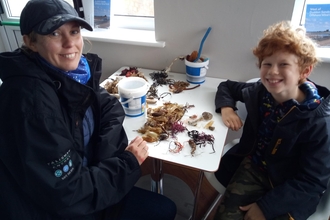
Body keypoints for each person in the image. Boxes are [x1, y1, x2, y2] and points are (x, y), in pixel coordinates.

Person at [0, 0, 177, 219]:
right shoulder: (32, 103)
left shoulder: (68, 76)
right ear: (30, 42)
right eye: (55, 34)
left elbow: (108, 105)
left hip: (84, 185)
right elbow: (67, 194)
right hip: (58, 210)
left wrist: (103, 154)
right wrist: (126, 163)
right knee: (164, 210)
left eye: (74, 31)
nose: (69, 43)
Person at [213, 20, 330, 220]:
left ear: (304, 71)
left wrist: (265, 207)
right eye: (267, 63)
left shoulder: (318, 121)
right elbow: (227, 87)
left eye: (283, 64)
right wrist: (227, 109)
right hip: (255, 168)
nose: (272, 71)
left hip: (291, 185)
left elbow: (312, 181)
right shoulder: (260, 91)